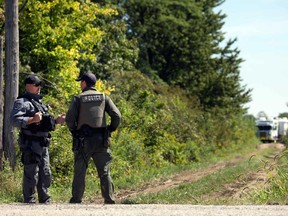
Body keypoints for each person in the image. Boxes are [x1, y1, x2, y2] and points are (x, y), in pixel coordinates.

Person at [65, 71, 121, 204]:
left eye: (80, 82)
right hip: (101, 139)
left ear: (84, 83)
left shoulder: (78, 98)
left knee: (80, 171)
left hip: (83, 140)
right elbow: (117, 115)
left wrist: (74, 132)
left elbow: (69, 119)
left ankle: (77, 199)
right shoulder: (103, 97)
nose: (80, 84)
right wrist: (111, 129)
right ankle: (109, 199)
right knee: (104, 171)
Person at [10, 74, 65, 204]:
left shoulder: (39, 102)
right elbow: (13, 120)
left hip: (43, 143)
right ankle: (29, 201)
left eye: (39, 85)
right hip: (31, 143)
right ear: (28, 86)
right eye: (36, 85)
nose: (39, 87)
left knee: (45, 172)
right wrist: (31, 119)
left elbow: (44, 122)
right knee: (31, 173)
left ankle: (45, 200)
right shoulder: (22, 102)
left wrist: (56, 120)